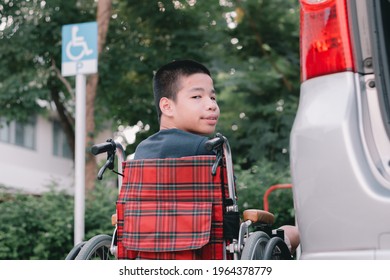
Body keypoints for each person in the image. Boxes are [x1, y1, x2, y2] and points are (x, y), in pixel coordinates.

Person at [133, 59, 299, 254]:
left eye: (212, 97)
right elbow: (230, 218)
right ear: (167, 106)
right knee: (294, 232)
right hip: (210, 252)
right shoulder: (208, 148)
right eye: (197, 97)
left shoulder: (141, 152)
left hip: (149, 253)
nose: (211, 105)